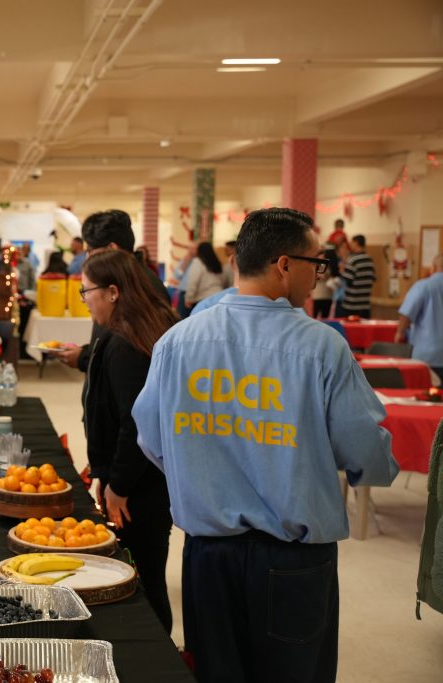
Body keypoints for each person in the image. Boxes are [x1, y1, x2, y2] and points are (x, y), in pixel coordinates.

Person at [133, 207, 399, 683]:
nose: (320, 276)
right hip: (293, 561)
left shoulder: (178, 342)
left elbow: (151, 440)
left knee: (216, 672)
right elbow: (365, 451)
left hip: (208, 557)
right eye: (317, 263)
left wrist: (202, 469)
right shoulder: (321, 347)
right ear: (284, 265)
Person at [79, 250, 179, 633]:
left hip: (139, 489)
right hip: (149, 481)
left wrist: (118, 485)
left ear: (113, 292)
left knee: (143, 580)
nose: (85, 300)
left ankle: (159, 654)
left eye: (87, 291)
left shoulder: (124, 344)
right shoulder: (140, 330)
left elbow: (135, 424)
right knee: (148, 572)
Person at [57, 209, 169, 372]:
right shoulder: (122, 278)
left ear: (111, 249)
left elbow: (128, 355)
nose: (88, 258)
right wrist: (85, 353)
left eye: (90, 251)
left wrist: (83, 359)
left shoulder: (141, 286)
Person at [396, 253, 443, 378]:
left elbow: (406, 313)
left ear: (433, 267)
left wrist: (400, 333)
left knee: (425, 390)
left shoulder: (423, 286)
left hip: (427, 355)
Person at [339, 234, 376, 318]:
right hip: (365, 305)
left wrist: (342, 271)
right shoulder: (370, 259)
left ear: (356, 243)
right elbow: (373, 278)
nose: (350, 245)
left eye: (352, 243)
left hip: (352, 306)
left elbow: (348, 280)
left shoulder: (353, 260)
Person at [183, 241, 224, 309]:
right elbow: (223, 281)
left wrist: (189, 298)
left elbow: (193, 281)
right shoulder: (217, 263)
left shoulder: (197, 262)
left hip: (204, 300)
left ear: (199, 251)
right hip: (219, 297)